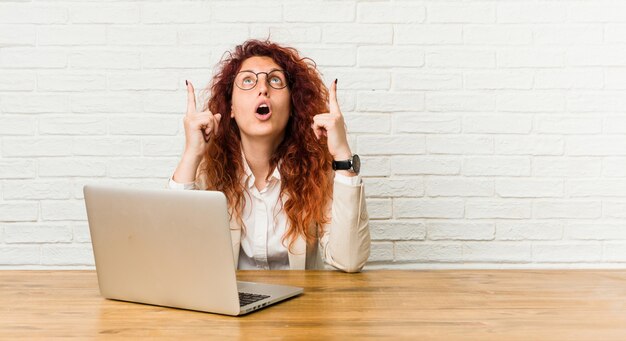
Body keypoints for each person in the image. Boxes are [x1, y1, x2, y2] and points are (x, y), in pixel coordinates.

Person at [168, 39, 369, 273]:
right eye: (248, 81)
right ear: (230, 108)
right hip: (229, 306)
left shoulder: (318, 171)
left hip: (302, 308)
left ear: (293, 105)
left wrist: (343, 155)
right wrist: (191, 153)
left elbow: (349, 260)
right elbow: (174, 254)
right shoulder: (207, 170)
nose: (263, 88)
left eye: (275, 80)